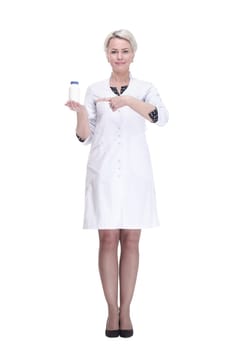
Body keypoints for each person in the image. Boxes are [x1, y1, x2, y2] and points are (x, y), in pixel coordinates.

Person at [65, 29, 168, 338]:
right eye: (114, 51)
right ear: (107, 55)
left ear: (133, 54)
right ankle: (112, 310)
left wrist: (127, 101)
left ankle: (128, 310)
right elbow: (85, 136)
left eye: (124, 51)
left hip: (136, 173)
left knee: (132, 240)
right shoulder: (95, 89)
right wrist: (82, 114)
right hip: (104, 171)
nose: (119, 56)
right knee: (108, 239)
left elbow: (160, 117)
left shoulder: (145, 88)